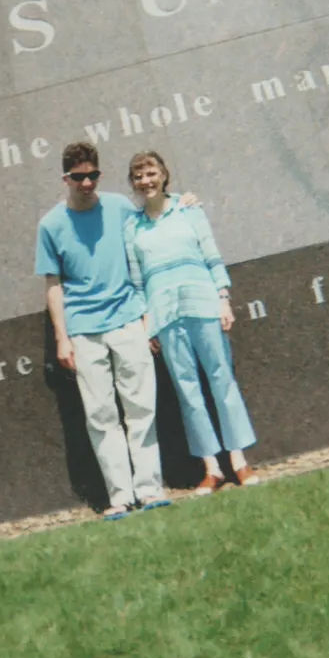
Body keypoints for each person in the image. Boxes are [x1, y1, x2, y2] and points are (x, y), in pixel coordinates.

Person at [34, 141, 192, 520]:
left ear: (99, 174)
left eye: (92, 175)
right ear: (66, 178)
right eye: (78, 177)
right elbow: (53, 284)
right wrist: (62, 337)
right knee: (101, 416)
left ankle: (150, 488)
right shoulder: (50, 225)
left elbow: (154, 218)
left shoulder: (120, 207)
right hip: (84, 332)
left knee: (141, 409)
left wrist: (185, 204)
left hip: (127, 322)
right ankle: (119, 497)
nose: (86, 183)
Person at [123, 150, 261, 495]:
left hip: (203, 304)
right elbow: (138, 283)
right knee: (188, 390)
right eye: (139, 176)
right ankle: (211, 468)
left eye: (151, 173)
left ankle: (239, 461)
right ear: (133, 184)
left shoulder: (188, 210)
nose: (146, 181)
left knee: (221, 379)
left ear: (164, 175)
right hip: (165, 315)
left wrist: (223, 298)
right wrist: (146, 322)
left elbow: (211, 255)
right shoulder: (132, 228)